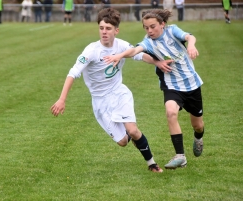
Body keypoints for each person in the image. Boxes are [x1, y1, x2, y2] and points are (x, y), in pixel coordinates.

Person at [50, 8, 173, 173]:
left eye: (108, 28)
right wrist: (62, 99)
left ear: (116, 30)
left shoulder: (121, 45)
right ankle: (133, 137)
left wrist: (157, 63)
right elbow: (73, 73)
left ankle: (152, 163)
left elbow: (140, 55)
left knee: (133, 130)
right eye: (101, 28)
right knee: (123, 141)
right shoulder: (91, 51)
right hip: (100, 102)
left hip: (119, 93)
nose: (104, 32)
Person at [103, 9, 205, 170]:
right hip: (172, 85)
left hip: (191, 84)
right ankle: (180, 156)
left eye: (152, 27)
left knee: (198, 125)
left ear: (162, 24)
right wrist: (120, 55)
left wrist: (191, 45)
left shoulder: (172, 31)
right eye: (146, 27)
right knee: (171, 112)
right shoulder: (148, 42)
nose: (149, 31)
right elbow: (135, 50)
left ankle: (199, 138)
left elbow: (189, 37)